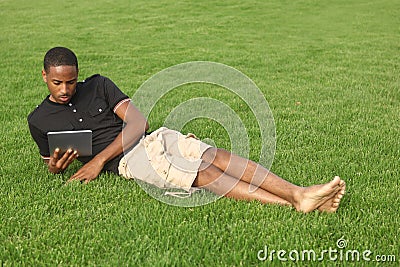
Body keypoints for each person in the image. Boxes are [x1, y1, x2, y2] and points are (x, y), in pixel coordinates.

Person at [28, 47, 346, 213]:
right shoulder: (39, 120)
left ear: (78, 74)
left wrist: (97, 161)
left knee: (215, 155)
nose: (66, 88)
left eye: (71, 81)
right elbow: (50, 165)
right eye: (58, 82)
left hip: (152, 138)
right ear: (44, 76)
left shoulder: (99, 85)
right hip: (129, 162)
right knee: (202, 174)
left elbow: (139, 123)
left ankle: (298, 193)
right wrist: (55, 168)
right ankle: (296, 200)